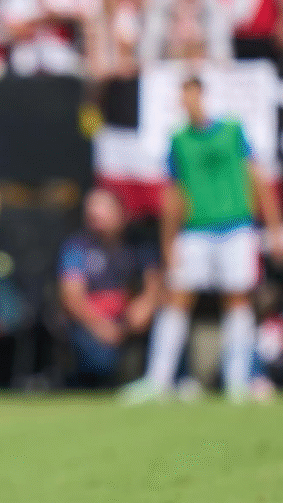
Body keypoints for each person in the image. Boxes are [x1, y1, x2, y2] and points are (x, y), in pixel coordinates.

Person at [120, 76, 283, 404]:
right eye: (183, 96)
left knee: (237, 299)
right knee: (177, 297)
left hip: (235, 227)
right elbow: (173, 194)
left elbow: (256, 178)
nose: (188, 102)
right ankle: (158, 380)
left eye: (192, 94)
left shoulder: (232, 131)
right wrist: (168, 242)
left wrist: (275, 226)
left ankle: (238, 382)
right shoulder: (179, 140)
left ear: (204, 96)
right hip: (195, 230)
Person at [58, 188, 161, 385]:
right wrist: (101, 326)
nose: (95, 213)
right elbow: (72, 297)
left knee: (167, 323)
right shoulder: (76, 247)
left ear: (122, 214)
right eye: (91, 208)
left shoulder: (138, 246)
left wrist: (146, 304)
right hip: (93, 324)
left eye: (103, 208)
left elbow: (155, 284)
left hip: (130, 323)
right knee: (100, 362)